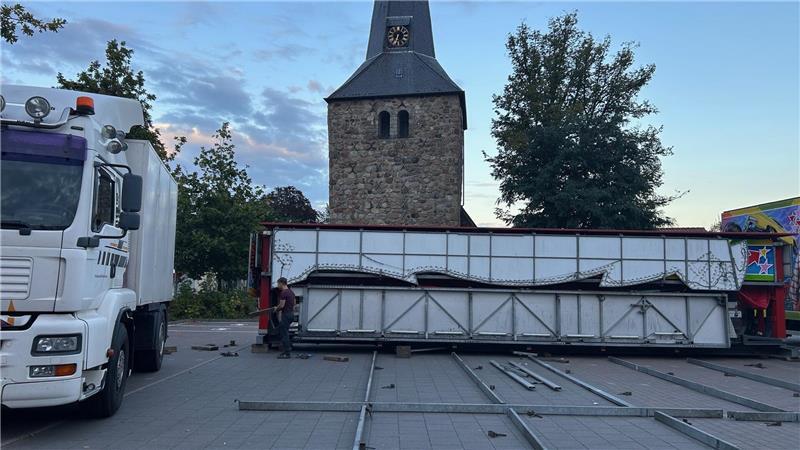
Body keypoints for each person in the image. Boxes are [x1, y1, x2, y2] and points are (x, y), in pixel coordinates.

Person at [271, 277, 296, 359]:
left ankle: (287, 353)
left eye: (278, 284)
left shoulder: (283, 293)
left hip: (286, 315)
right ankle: (287, 350)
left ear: (282, 283)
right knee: (282, 331)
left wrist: (276, 309)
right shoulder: (291, 292)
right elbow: (294, 304)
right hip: (291, 314)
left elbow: (281, 305)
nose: (277, 285)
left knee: (284, 334)